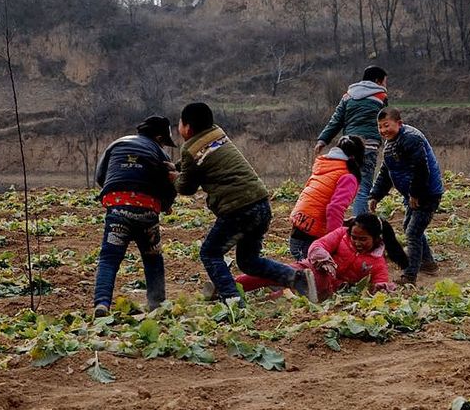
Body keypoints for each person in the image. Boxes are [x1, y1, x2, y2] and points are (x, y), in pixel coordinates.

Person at [174, 102, 317, 303]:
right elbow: (202, 159)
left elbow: (185, 187)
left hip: (238, 210)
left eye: (179, 123)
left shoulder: (190, 149)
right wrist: (177, 166)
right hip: (260, 203)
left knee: (210, 252)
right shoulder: (217, 134)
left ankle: (232, 300)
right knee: (248, 261)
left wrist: (172, 177)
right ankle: (296, 277)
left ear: (187, 127)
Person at [92, 115, 179, 317]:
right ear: (159, 137)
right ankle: (157, 304)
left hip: (117, 209)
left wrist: (118, 196)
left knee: (109, 258)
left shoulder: (117, 144)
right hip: (147, 211)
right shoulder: (161, 154)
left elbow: (100, 176)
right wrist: (166, 205)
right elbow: (169, 186)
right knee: (152, 257)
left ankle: (102, 303)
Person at [237, 213, 408, 302]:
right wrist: (324, 260)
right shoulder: (341, 234)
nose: (357, 242)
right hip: (309, 271)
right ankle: (228, 286)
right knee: (269, 275)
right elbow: (318, 246)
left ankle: (256, 301)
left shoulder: (377, 262)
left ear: (376, 238)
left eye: (363, 239)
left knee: (283, 299)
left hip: (327, 291)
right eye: (354, 237)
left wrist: (381, 289)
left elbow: (380, 284)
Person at [368, 107, 444, 284]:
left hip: (427, 192)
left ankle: (410, 275)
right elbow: (387, 172)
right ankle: (428, 264)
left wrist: (416, 194)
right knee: (410, 227)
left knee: (413, 231)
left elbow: (421, 169)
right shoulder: (390, 143)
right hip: (412, 192)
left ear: (399, 123)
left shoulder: (411, 138)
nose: (383, 130)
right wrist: (375, 195)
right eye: (380, 127)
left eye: (386, 125)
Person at [314, 66, 388, 217]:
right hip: (369, 146)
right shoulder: (381, 96)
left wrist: (323, 139)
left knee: (342, 183)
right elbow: (385, 122)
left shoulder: (348, 96)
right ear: (377, 81)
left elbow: (336, 120)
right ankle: (360, 223)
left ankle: (327, 215)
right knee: (364, 186)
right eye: (385, 82)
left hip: (348, 147)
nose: (385, 86)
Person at [288, 135, 366, 261]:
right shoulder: (348, 176)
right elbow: (334, 209)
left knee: (306, 273)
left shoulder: (326, 166)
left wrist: (343, 223)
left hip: (298, 230)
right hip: (309, 239)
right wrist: (334, 240)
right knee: (315, 276)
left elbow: (319, 201)